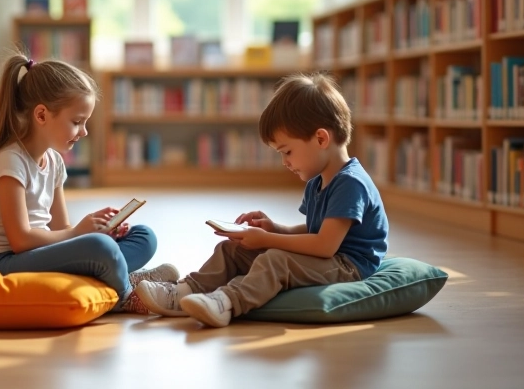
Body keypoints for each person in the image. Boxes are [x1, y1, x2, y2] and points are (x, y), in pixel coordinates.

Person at [135, 72, 389, 327]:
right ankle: (184, 293)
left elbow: (325, 245)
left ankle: (226, 302)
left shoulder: (350, 182)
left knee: (276, 260)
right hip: (329, 257)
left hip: (348, 266)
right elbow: (316, 228)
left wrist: (267, 240)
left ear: (321, 139)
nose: (285, 162)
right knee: (234, 249)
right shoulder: (319, 180)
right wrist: (276, 228)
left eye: (287, 151)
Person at [0, 52, 176, 313]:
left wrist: (99, 230)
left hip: (32, 254)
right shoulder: (9, 162)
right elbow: (20, 240)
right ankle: (127, 294)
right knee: (98, 248)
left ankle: (118, 274)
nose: (84, 132)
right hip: (2, 261)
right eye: (77, 122)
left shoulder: (54, 162)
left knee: (144, 236)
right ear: (41, 115)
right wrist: (83, 234)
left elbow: (61, 229)